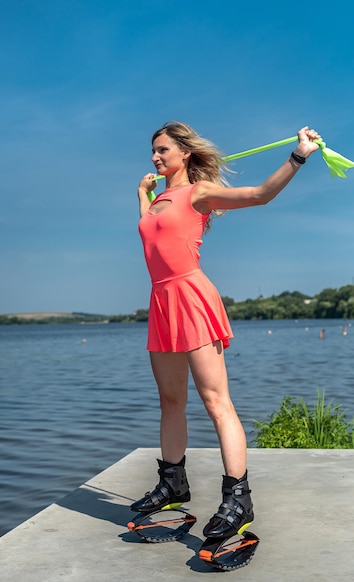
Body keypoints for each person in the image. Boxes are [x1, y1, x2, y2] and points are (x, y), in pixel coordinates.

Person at [132, 121, 321, 540]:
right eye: (153, 151)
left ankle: (238, 497)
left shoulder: (197, 194)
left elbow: (259, 195)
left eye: (162, 150)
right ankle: (173, 482)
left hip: (192, 297)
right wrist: (142, 195)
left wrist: (299, 154)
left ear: (185, 153)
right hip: (161, 301)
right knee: (170, 401)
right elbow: (149, 230)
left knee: (217, 402)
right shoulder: (159, 198)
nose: (155, 157)